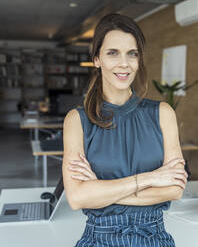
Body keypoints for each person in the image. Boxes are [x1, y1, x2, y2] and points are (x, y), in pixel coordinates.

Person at [62, 13, 187, 247]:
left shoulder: (163, 113)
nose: (124, 64)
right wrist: (151, 178)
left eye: (132, 54)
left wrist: (100, 191)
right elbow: (77, 197)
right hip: (98, 239)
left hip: (154, 238)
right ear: (97, 59)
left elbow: (174, 190)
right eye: (113, 53)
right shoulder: (76, 121)